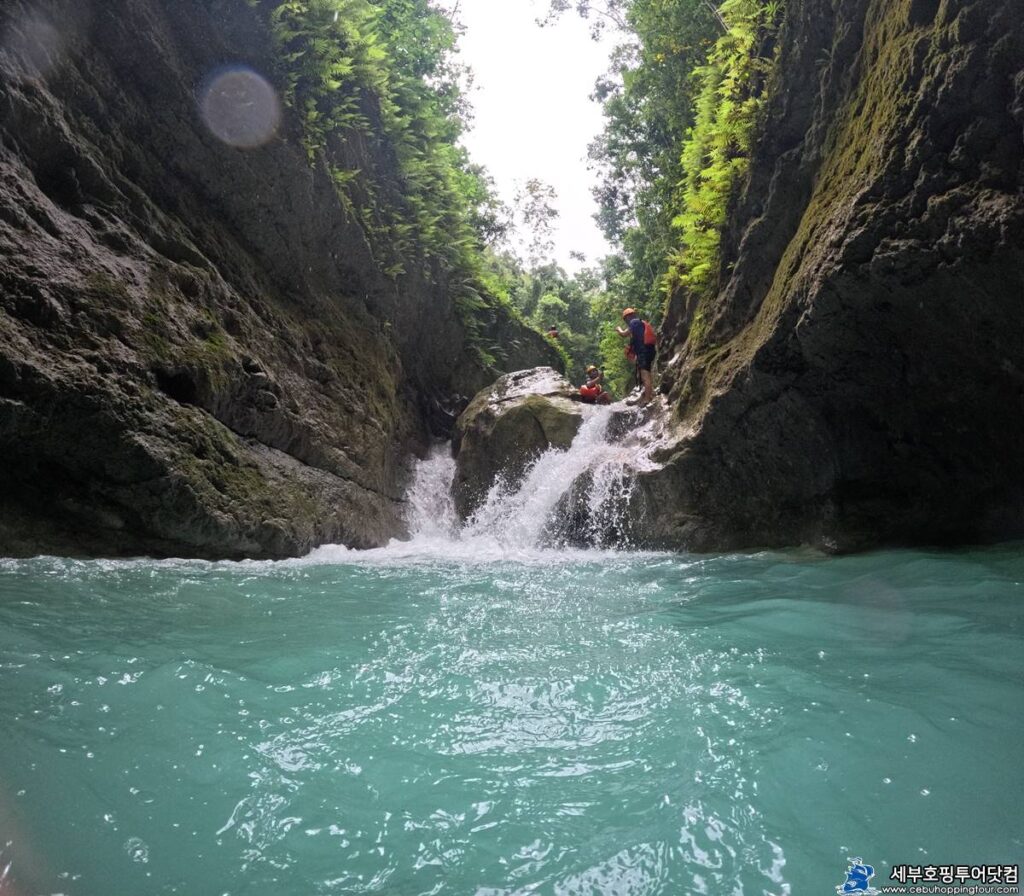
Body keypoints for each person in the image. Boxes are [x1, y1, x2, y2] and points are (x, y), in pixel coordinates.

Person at [616, 308, 656, 405]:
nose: (626, 322)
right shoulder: (640, 323)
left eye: (625, 320)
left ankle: (647, 398)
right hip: (649, 350)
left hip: (644, 352)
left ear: (628, 317)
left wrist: (618, 329)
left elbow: (624, 334)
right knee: (646, 374)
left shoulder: (633, 322)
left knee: (645, 376)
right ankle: (650, 394)